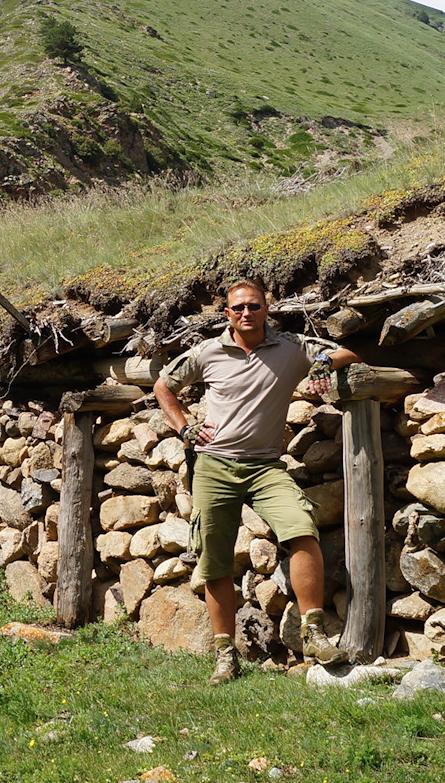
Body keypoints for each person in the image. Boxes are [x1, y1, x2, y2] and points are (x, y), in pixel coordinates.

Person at [153, 276, 360, 682]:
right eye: (239, 307)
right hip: (212, 465)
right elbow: (163, 385)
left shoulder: (291, 347)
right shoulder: (207, 352)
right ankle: (225, 655)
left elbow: (348, 353)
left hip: (265, 465)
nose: (247, 313)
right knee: (215, 560)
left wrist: (323, 364)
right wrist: (183, 428)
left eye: (255, 306)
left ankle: (313, 632)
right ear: (227, 313)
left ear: (268, 308)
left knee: (301, 528)